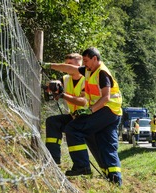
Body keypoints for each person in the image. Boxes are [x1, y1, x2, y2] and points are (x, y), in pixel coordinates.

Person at [42, 47, 123, 186]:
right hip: (109, 113)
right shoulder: (88, 70)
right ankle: (115, 180)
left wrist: (89, 111)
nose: (84, 64)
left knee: (74, 129)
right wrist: (49, 65)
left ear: (95, 59)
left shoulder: (102, 73)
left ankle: (82, 166)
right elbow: (68, 69)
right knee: (106, 145)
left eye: (86, 61)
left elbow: (105, 98)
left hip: (107, 110)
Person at [45, 53, 86, 165]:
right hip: (74, 116)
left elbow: (83, 101)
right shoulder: (66, 78)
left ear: (79, 64)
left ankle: (81, 165)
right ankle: (53, 159)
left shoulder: (86, 80)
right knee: (52, 122)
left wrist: (63, 95)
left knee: (71, 129)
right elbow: (59, 82)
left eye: (70, 64)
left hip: (87, 117)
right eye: (65, 64)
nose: (66, 67)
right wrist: (53, 85)